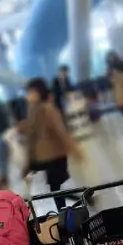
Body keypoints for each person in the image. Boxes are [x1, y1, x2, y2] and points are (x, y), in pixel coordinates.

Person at [16, 78, 84, 210]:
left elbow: (61, 131)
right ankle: (77, 202)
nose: (28, 96)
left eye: (30, 92)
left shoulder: (47, 109)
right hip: (45, 156)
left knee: (55, 188)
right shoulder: (34, 109)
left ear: (38, 92)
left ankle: (68, 208)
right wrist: (21, 127)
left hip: (56, 155)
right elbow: (32, 128)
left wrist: (75, 150)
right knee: (55, 188)